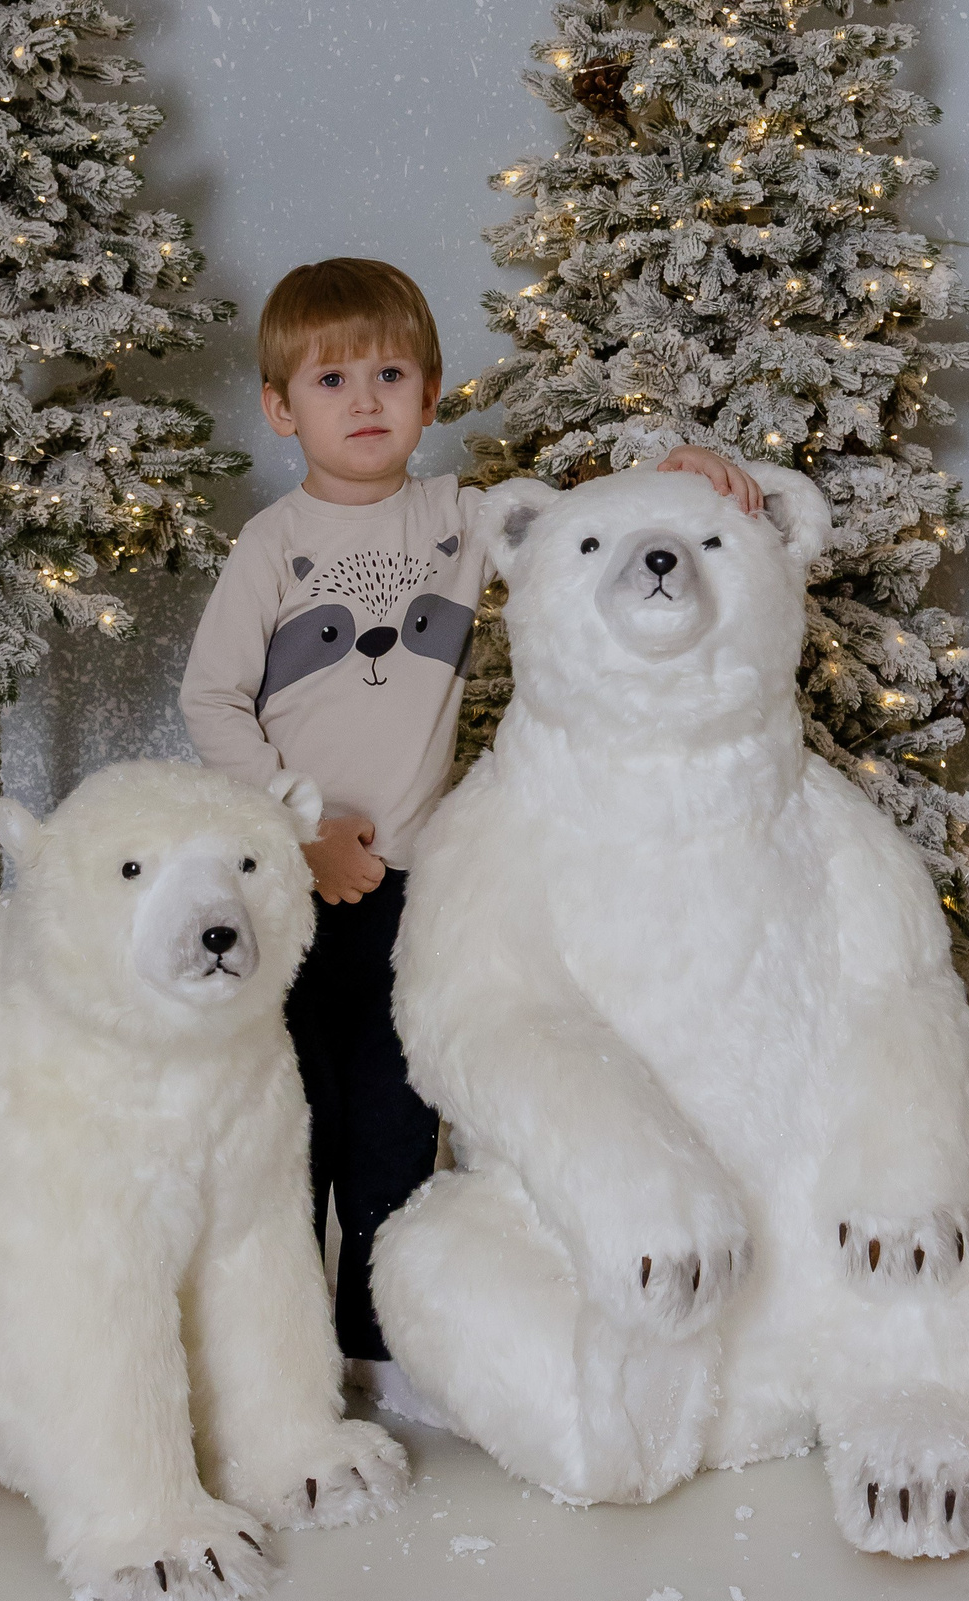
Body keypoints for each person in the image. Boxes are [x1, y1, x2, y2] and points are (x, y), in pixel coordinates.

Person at [180, 257, 760, 1418]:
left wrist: (677, 473)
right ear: (282, 410)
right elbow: (209, 703)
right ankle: (273, 1354)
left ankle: (379, 1342)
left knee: (395, 1120)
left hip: (414, 885)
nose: (364, 400)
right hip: (295, 886)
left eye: (390, 374)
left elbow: (580, 523)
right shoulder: (271, 546)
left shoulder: (459, 520)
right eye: (333, 378)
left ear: (431, 395)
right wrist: (301, 832)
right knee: (289, 1121)